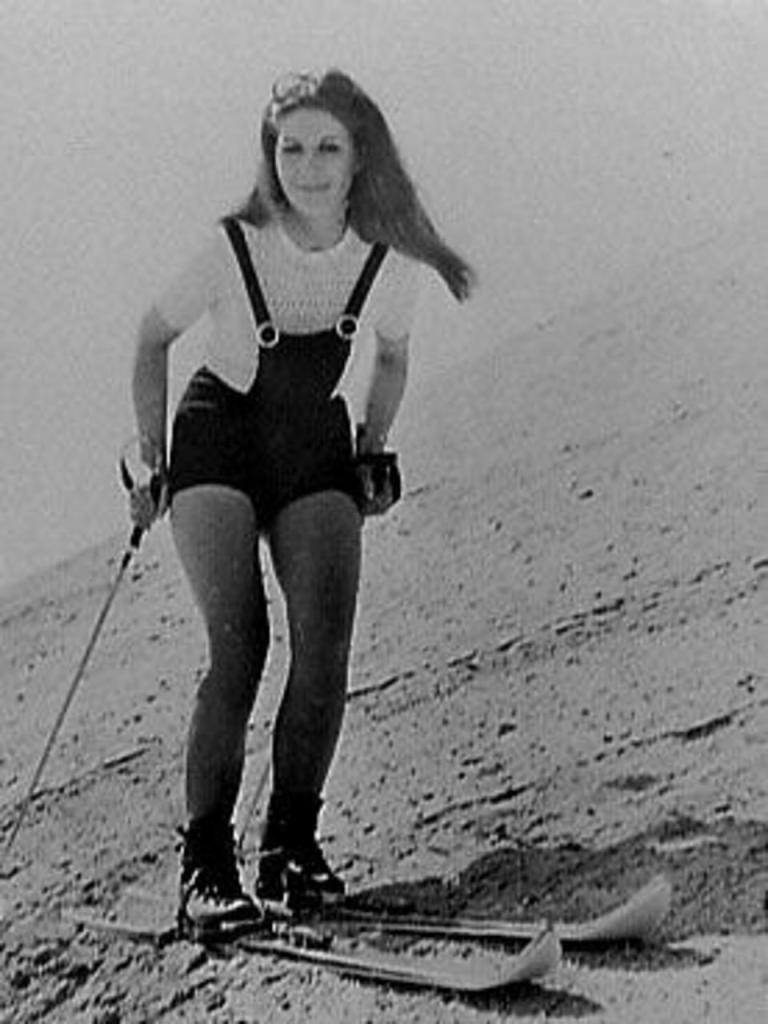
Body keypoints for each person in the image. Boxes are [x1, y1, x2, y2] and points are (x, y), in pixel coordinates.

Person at [130, 68, 475, 938]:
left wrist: (371, 446)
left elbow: (391, 356)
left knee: (324, 648)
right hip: (217, 441)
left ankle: (290, 850)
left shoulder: (384, 258)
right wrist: (150, 456)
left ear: (360, 157)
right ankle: (206, 868)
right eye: (291, 147)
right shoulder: (232, 244)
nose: (308, 166)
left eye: (328, 147)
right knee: (239, 649)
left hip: (313, 447)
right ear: (269, 155)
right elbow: (152, 337)